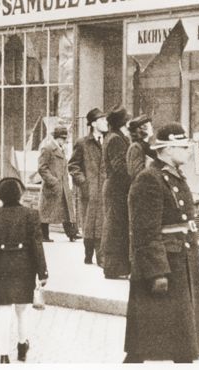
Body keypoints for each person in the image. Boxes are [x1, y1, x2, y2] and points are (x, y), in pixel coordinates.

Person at [124, 123, 199, 363]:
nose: (188, 151)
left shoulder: (174, 176)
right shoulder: (149, 179)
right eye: (183, 146)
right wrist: (158, 272)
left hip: (180, 261)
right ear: (168, 149)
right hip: (165, 266)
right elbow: (144, 231)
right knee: (143, 345)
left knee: (181, 340)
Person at [0, 177, 48, 363]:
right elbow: (37, 246)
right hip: (25, 266)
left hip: (2, 266)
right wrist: (42, 272)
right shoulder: (31, 215)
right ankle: (22, 346)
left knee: (3, 311)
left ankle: (3, 355)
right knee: (22, 310)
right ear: (20, 194)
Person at [68, 108, 107, 265]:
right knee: (89, 223)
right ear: (94, 123)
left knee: (102, 223)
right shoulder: (83, 143)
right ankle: (88, 253)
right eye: (103, 120)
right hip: (89, 191)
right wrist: (83, 182)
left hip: (104, 190)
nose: (106, 123)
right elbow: (73, 165)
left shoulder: (109, 141)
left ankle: (101, 256)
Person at [101, 106, 132, 279]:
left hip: (117, 188)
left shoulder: (116, 137)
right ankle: (112, 267)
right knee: (115, 228)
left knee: (117, 227)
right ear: (122, 123)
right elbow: (120, 165)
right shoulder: (115, 139)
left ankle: (118, 267)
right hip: (117, 189)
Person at [38, 126, 78, 242]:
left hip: (62, 185)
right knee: (46, 212)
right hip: (52, 186)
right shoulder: (47, 148)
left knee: (66, 209)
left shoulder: (60, 148)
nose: (65, 141)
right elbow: (42, 168)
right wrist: (53, 181)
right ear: (58, 138)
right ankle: (43, 235)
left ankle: (72, 233)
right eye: (63, 138)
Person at [126, 115, 156, 182]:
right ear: (143, 128)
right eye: (150, 125)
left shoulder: (146, 146)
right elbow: (136, 174)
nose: (152, 127)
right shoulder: (136, 147)